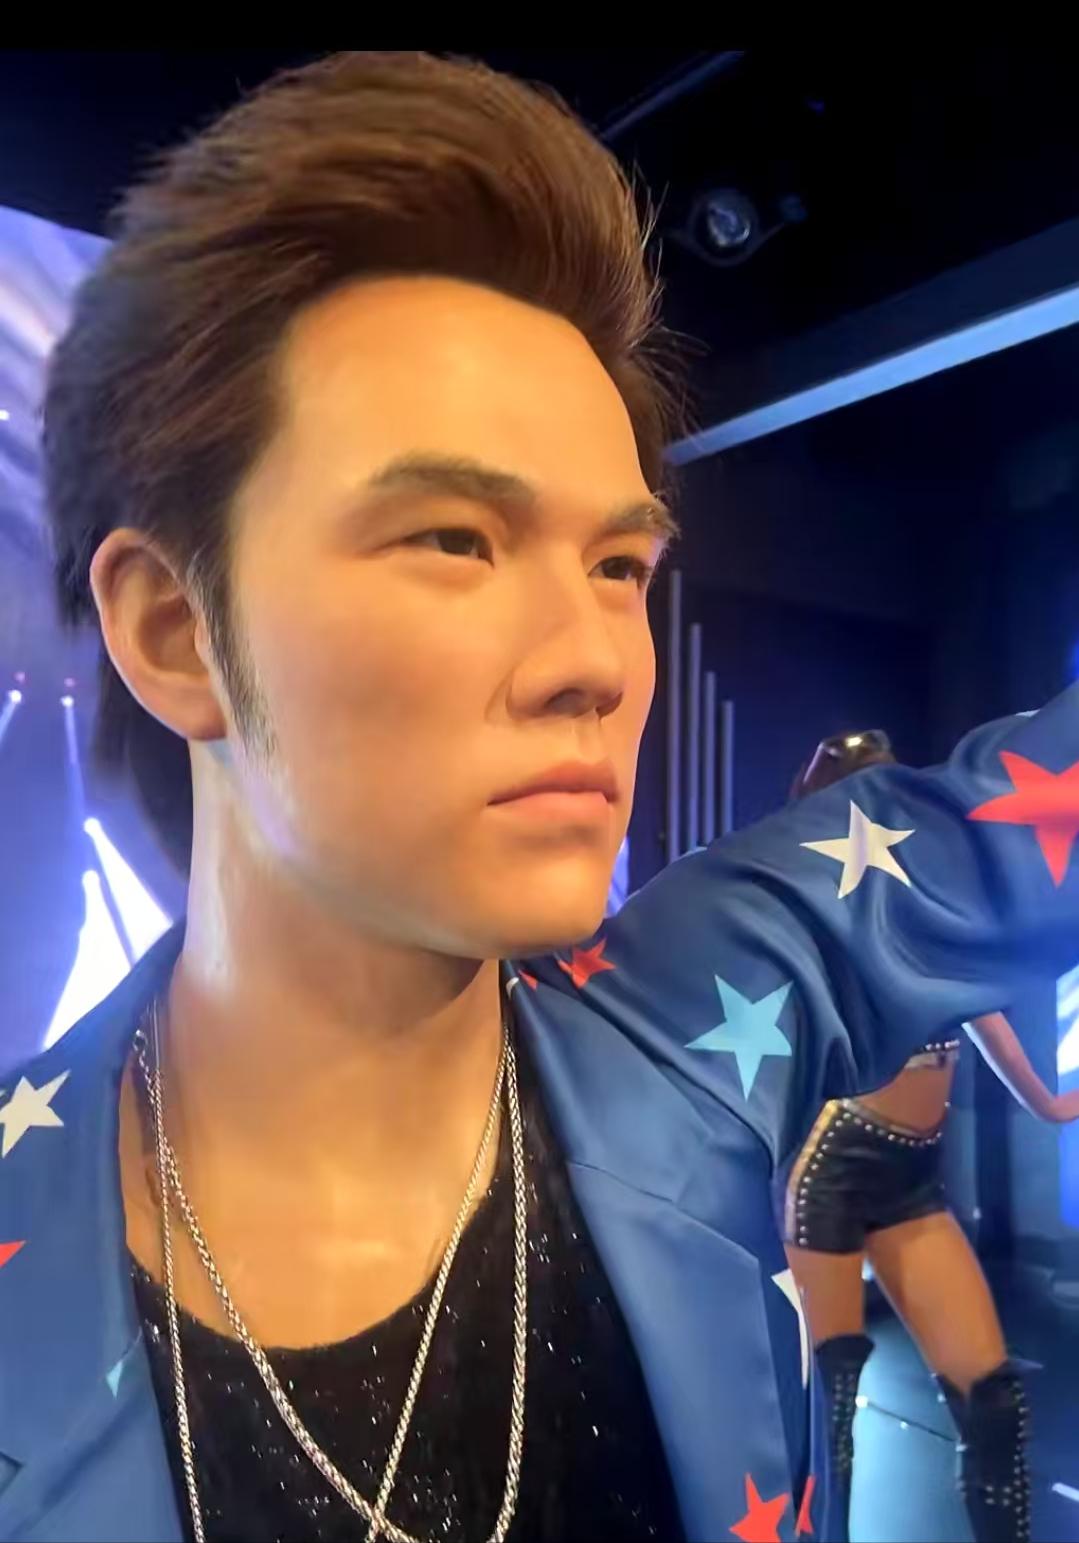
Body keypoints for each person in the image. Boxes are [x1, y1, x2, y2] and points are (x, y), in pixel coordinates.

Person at [3, 51, 1079, 1543]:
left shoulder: (678, 1042)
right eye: (453, 538)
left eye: (619, 565)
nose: (596, 661)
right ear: (177, 630)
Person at [782, 729, 1079, 1543]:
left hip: (912, 1179)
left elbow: (976, 1009)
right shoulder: (819, 911)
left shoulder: (927, 903)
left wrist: (1048, 1103)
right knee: (826, 1417)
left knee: (992, 1401)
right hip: (833, 1166)